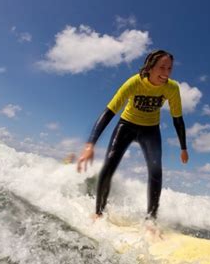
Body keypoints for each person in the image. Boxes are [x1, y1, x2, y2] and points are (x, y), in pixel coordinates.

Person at [76, 50, 189, 222]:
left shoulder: (172, 88)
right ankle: (98, 213)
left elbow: (178, 120)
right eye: (162, 67)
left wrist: (183, 147)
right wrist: (90, 144)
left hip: (150, 129)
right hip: (126, 125)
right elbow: (109, 112)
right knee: (110, 164)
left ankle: (151, 222)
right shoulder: (134, 82)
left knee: (156, 171)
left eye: (169, 69)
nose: (166, 73)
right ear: (150, 67)